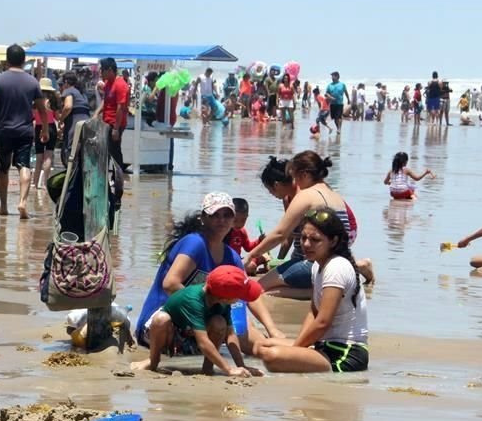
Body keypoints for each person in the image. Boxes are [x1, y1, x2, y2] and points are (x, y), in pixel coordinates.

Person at [135, 191, 285, 355]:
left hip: (200, 323)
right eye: (215, 215)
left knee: (253, 339)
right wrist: (210, 306)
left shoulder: (231, 256)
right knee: (222, 320)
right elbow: (170, 284)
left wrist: (272, 329)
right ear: (203, 218)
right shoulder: (195, 243)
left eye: (227, 215)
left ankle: (292, 350)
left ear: (233, 220)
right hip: (163, 323)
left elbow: (248, 291)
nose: (222, 220)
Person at [253, 209, 369, 373]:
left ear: (333, 241)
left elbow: (322, 322)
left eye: (315, 240)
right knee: (260, 345)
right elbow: (313, 313)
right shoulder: (317, 266)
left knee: (271, 356)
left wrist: (295, 351)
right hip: (323, 345)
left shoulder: (336, 267)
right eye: (303, 238)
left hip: (345, 352)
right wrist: (299, 348)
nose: (306, 244)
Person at [247, 153, 373, 298]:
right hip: (338, 259)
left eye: (294, 176)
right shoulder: (332, 192)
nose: (294, 181)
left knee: (259, 289)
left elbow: (280, 234)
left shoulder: (306, 195)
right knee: (273, 289)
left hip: (319, 263)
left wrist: (250, 256)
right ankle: (327, 287)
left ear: (304, 175)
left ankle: (322, 288)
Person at [131, 266, 264, 377]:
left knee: (219, 322)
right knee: (161, 319)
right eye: (240, 296)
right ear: (225, 298)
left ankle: (207, 368)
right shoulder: (193, 300)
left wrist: (241, 366)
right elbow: (203, 342)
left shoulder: (222, 301)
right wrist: (228, 369)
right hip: (169, 334)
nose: (240, 300)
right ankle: (153, 361)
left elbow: (230, 335)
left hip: (191, 334)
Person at [0, 44, 47, 219]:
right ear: (24, 61)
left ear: (7, 60)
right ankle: (22, 202)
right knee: (24, 165)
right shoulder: (32, 82)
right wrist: (45, 129)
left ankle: (3, 206)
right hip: (25, 131)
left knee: (3, 167)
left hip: (4, 131)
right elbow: (42, 109)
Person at [95, 58, 129, 173]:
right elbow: (106, 101)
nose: (100, 73)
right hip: (107, 122)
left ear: (109, 70)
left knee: (114, 151)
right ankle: (106, 177)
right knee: (106, 151)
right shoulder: (108, 83)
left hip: (115, 123)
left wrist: (116, 128)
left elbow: (120, 107)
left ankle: (118, 178)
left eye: (102, 70)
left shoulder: (121, 85)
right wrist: (96, 113)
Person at [57, 72, 91, 165]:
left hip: (75, 122)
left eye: (61, 84)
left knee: (71, 149)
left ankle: (71, 170)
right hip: (87, 122)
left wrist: (61, 120)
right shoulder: (82, 93)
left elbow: (68, 106)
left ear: (66, 82)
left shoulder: (68, 90)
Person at [32, 78, 58, 190]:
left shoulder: (35, 101)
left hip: (39, 127)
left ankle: (35, 183)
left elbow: (32, 116)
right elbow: (57, 116)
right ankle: (44, 184)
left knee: (39, 157)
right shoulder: (53, 101)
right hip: (51, 127)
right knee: (48, 156)